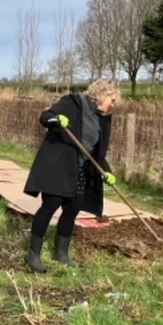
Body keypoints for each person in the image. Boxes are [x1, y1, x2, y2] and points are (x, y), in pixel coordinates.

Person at [23, 79, 120, 273]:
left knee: (73, 209)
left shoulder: (102, 118)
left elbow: (96, 152)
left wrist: (106, 171)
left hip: (79, 169)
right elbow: (45, 117)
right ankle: (33, 254)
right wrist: (57, 120)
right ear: (101, 94)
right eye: (112, 99)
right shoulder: (73, 103)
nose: (114, 104)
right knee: (49, 207)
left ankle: (61, 253)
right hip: (58, 165)